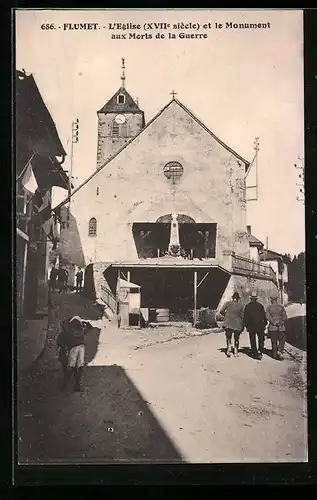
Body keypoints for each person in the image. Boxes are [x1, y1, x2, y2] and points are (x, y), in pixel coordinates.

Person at [56, 315, 92, 392]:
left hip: (66, 353)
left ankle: (65, 383)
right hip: (78, 353)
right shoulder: (81, 333)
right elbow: (89, 327)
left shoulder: (65, 334)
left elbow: (58, 342)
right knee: (77, 368)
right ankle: (76, 384)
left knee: (67, 368)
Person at [219, 291, 244, 357]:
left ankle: (229, 349)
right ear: (238, 298)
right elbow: (242, 316)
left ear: (233, 298)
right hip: (237, 324)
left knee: (228, 337)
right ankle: (236, 351)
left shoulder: (227, 303)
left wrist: (226, 315)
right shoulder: (241, 305)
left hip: (228, 322)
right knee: (236, 338)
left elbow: (221, 311)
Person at [243, 291, 267, 360]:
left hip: (251, 325)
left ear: (250, 298)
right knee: (261, 339)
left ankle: (254, 352)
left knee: (252, 339)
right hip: (260, 325)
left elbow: (246, 317)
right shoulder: (260, 306)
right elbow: (264, 316)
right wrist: (265, 324)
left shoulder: (247, 306)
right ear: (256, 299)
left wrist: (246, 325)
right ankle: (260, 350)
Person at [266, 296, 288, 360]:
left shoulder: (269, 308)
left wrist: (274, 322)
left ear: (271, 300)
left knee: (274, 341)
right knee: (282, 339)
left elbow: (267, 317)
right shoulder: (281, 307)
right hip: (281, 327)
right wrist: (280, 322)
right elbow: (285, 317)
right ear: (276, 300)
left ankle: (274, 355)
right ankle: (280, 350)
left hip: (272, 328)